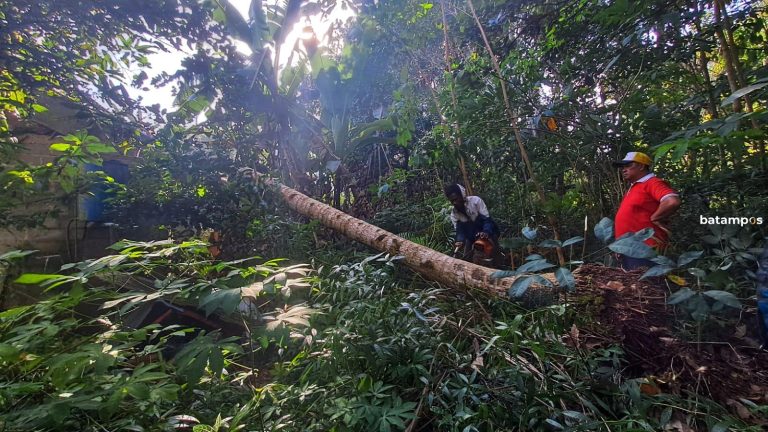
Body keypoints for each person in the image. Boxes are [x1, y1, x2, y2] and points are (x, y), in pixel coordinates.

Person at [613, 151, 681, 269]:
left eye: (629, 165)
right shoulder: (635, 186)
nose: (624, 170)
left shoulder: (652, 183)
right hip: (630, 249)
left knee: (646, 285)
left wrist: (656, 218)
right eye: (623, 167)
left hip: (645, 248)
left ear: (641, 166)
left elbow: (672, 201)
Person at [444, 184, 500, 263]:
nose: (455, 203)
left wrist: (486, 232)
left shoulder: (476, 201)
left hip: (487, 233)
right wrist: (459, 240)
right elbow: (460, 231)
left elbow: (487, 220)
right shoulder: (454, 214)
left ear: (462, 195)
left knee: (493, 255)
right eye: (452, 201)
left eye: (456, 199)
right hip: (471, 238)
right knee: (467, 260)